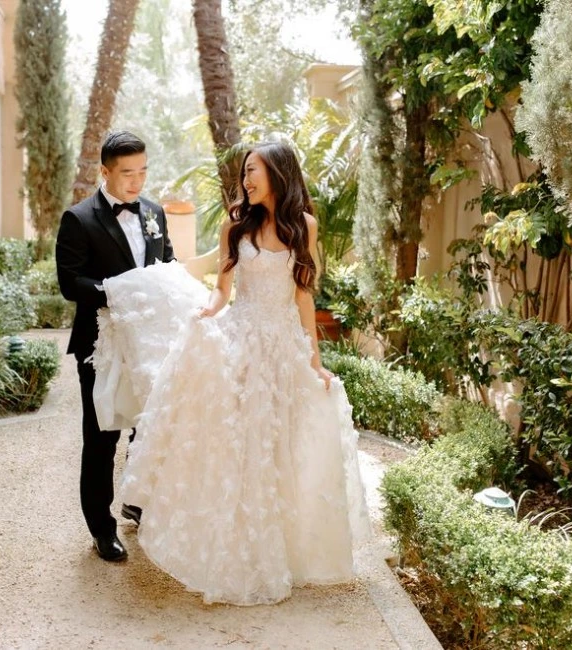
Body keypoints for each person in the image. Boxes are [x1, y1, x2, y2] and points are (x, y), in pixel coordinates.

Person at [98, 141, 371, 605]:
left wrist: (315, 359)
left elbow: (304, 295)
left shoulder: (304, 225)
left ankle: (285, 547)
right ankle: (239, 544)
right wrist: (207, 313)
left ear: (279, 175)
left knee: (280, 441)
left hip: (282, 346)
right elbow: (222, 290)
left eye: (256, 171)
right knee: (243, 442)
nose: (247, 179)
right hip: (242, 340)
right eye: (245, 171)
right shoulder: (235, 224)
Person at [55, 131, 175, 562]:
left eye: (142, 171)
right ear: (105, 172)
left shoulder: (155, 212)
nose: (137, 182)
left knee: (149, 425)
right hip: (100, 345)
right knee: (103, 433)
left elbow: (167, 264)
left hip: (150, 342)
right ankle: (102, 529)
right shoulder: (79, 219)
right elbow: (71, 284)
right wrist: (121, 293)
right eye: (128, 173)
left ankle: (137, 503)